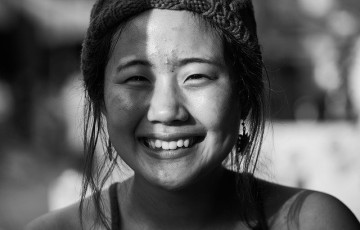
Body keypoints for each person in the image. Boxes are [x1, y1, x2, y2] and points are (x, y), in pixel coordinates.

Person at [26, 0, 360, 229]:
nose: (165, 111)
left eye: (196, 76)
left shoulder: (312, 222)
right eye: (137, 78)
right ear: (101, 99)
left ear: (243, 94)